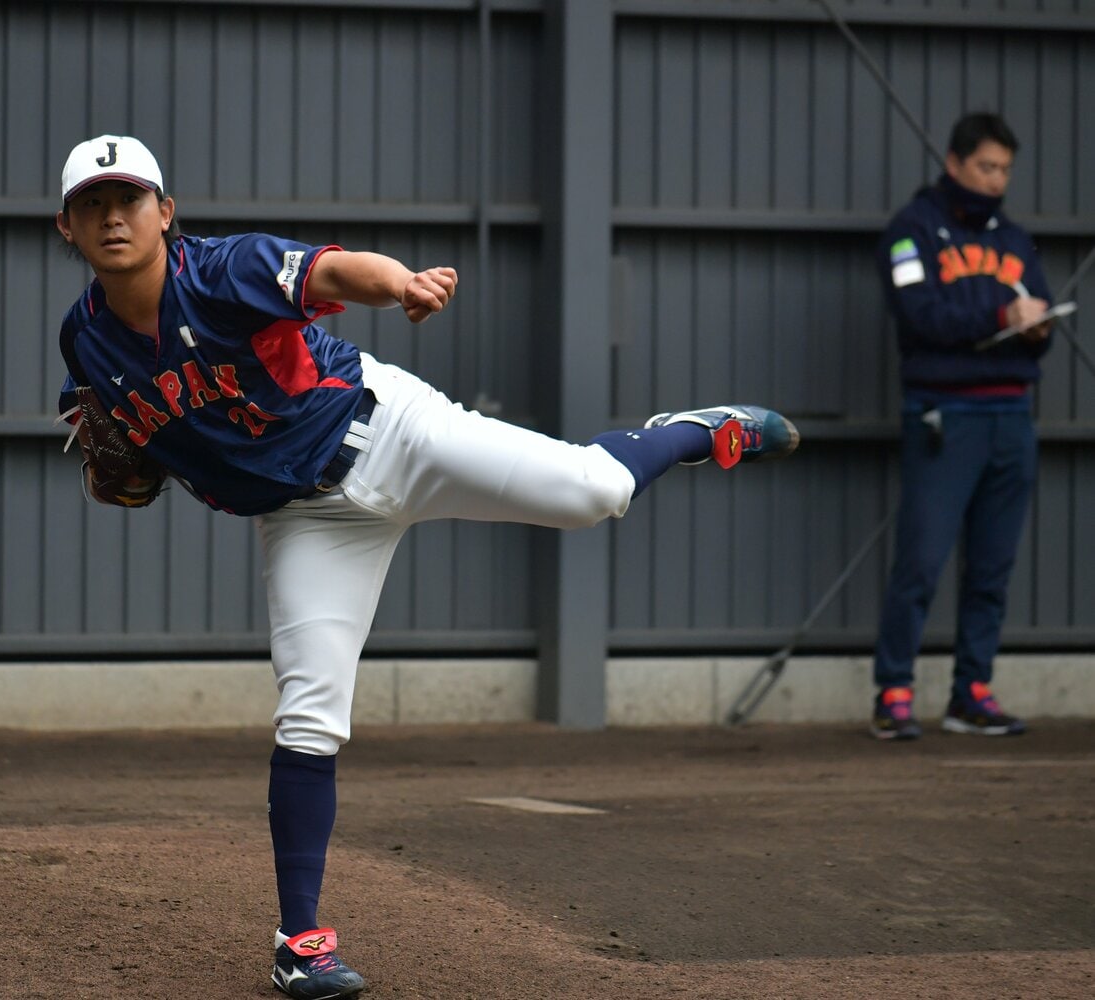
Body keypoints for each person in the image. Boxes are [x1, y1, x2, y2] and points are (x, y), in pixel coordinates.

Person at [52, 133, 799, 998]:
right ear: (66, 226)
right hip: (306, 522)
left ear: (165, 212)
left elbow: (333, 272)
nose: (114, 216)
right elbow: (122, 461)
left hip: (391, 432)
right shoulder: (85, 342)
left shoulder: (222, 270)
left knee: (593, 492)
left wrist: (399, 284)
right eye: (93, 205)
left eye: (130, 198)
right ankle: (302, 944)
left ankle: (696, 429)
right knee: (308, 716)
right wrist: (125, 472)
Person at [870, 112, 1054, 742]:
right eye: (986, 166)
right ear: (954, 163)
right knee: (921, 560)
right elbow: (921, 316)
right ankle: (893, 693)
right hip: (945, 416)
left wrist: (1036, 326)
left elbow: (1039, 326)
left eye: (1004, 169)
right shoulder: (911, 231)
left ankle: (971, 693)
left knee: (993, 568)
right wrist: (1000, 312)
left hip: (1012, 418)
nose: (997, 180)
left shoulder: (1017, 240)